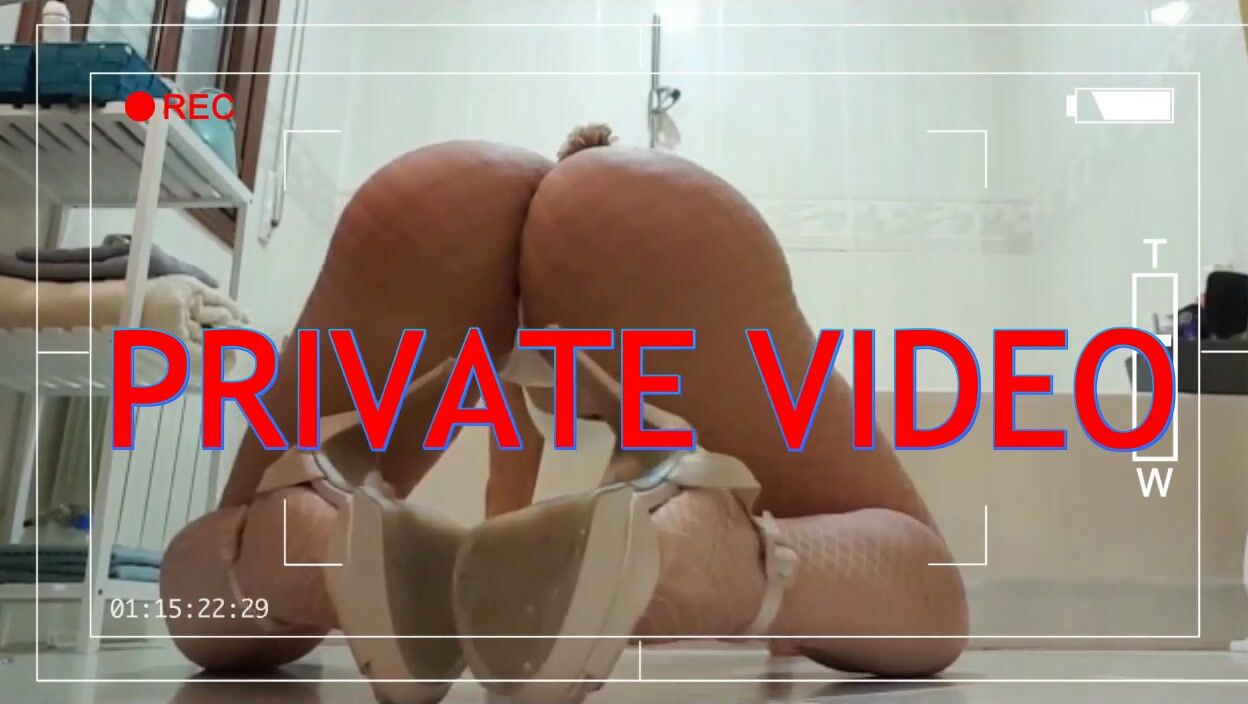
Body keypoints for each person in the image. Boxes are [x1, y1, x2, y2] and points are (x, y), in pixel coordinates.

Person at [159, 126, 968, 704]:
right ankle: (712, 559)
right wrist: (770, 590)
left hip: (450, 256)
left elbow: (511, 485)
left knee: (230, 564)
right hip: (636, 257)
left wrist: (469, 577)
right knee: (924, 585)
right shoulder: (633, 272)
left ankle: (298, 542)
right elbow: (631, 477)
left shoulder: (490, 289)